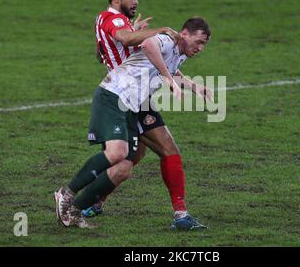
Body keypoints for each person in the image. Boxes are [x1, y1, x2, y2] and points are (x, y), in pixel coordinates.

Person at [55, 16, 212, 230]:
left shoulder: (179, 53)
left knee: (125, 167)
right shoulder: (168, 39)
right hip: (115, 96)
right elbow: (149, 45)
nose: (201, 48)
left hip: (132, 104)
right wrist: (167, 77)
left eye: (204, 45)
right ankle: (67, 193)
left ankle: (77, 207)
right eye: (199, 42)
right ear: (185, 34)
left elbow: (172, 71)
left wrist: (195, 87)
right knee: (117, 154)